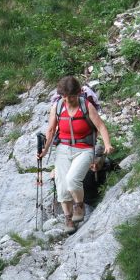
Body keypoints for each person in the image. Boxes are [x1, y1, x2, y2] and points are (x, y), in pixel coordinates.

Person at [37, 76, 113, 233]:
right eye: (65, 96)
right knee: (62, 186)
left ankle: (79, 206)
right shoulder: (58, 107)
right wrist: (44, 151)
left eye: (71, 96)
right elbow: (51, 130)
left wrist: (107, 144)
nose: (68, 99)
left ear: (78, 93)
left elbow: (101, 126)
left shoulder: (86, 106)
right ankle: (68, 219)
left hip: (84, 148)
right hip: (63, 149)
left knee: (72, 180)